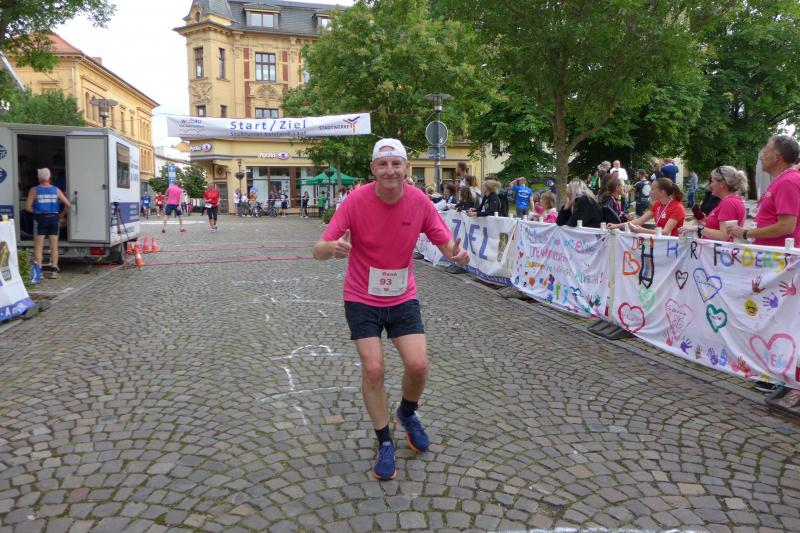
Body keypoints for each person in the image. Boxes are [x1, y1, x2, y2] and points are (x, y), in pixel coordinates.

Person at [312, 138, 469, 481]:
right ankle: (385, 441)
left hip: (401, 296)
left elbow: (445, 244)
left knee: (418, 364)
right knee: (373, 368)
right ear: (373, 169)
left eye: (396, 163)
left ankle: (407, 413)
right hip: (361, 297)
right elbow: (318, 249)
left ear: (406, 168)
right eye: (383, 165)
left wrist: (456, 254)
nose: (390, 171)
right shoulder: (355, 201)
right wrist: (331, 248)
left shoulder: (419, 201)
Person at [728, 135, 800, 247]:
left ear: (777, 157)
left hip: (777, 254)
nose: (761, 157)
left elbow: (786, 226)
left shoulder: (787, 182)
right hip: (772, 252)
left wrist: (746, 233)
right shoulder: (783, 180)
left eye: (765, 152)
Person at [24, 168, 71, 279]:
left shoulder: (34, 190)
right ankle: (54, 270)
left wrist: (36, 211)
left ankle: (39, 272)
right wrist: (62, 214)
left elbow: (27, 208)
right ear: (49, 178)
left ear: (39, 178)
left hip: (40, 219)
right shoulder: (56, 190)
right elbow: (68, 204)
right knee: (54, 246)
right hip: (54, 219)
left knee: (38, 247)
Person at [679, 166, 747, 242]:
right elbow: (721, 230)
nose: (710, 185)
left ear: (722, 184)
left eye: (712, 181)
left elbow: (723, 235)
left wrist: (698, 228)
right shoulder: (734, 200)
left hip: (718, 248)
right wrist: (705, 223)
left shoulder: (728, 203)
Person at [609, 177, 685, 236]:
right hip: (660, 243)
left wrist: (642, 230)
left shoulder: (677, 207)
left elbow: (665, 232)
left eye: (652, 189)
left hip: (672, 246)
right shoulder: (657, 204)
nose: (650, 192)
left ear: (662, 192)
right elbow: (639, 221)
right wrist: (616, 226)